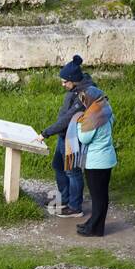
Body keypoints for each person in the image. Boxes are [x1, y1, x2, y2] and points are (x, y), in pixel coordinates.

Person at [41, 56, 92, 217]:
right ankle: (64, 198)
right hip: (64, 135)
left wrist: (46, 132)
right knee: (58, 165)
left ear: (73, 80)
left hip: (72, 138)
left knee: (72, 171)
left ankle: (75, 207)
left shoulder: (85, 95)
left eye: (64, 81)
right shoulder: (75, 89)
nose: (62, 84)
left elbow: (69, 117)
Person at [64, 86, 117, 237]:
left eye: (84, 99)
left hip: (96, 162)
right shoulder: (105, 110)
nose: (83, 102)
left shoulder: (93, 117)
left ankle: (95, 229)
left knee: (98, 197)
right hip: (106, 159)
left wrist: (79, 124)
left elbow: (84, 138)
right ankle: (93, 224)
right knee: (101, 195)